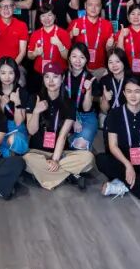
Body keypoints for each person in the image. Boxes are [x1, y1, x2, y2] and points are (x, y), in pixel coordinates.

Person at [22, 62, 95, 190]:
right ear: (43, 79)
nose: (51, 81)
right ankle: (69, 175)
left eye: (55, 77)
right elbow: (31, 131)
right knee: (26, 160)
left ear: (62, 79)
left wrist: (55, 160)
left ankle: (46, 175)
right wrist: (36, 112)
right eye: (47, 77)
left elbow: (63, 135)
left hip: (60, 154)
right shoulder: (34, 98)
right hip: (37, 153)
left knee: (89, 158)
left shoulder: (69, 103)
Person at [0, 57, 31, 158]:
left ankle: (11, 156)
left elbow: (19, 122)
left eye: (11, 73)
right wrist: (1, 106)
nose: (7, 77)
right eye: (3, 73)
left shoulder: (21, 92)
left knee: (14, 139)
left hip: (17, 131)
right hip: (0, 129)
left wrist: (17, 102)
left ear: (16, 74)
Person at [63, 44, 98, 151]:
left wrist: (88, 91)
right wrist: (73, 119)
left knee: (80, 145)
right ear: (69, 57)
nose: (78, 60)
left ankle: (75, 142)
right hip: (65, 115)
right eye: (74, 56)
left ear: (86, 59)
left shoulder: (91, 79)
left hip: (86, 117)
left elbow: (87, 108)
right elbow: (60, 101)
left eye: (82, 57)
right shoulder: (62, 76)